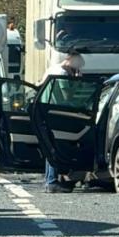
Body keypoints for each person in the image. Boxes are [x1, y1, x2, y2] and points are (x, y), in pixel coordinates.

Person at [43, 52, 85, 193]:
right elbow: (67, 95)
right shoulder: (61, 73)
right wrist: (77, 81)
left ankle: (50, 180)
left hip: (45, 111)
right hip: (54, 112)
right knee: (54, 146)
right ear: (71, 63)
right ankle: (52, 181)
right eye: (76, 68)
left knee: (50, 146)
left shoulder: (53, 68)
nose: (76, 71)